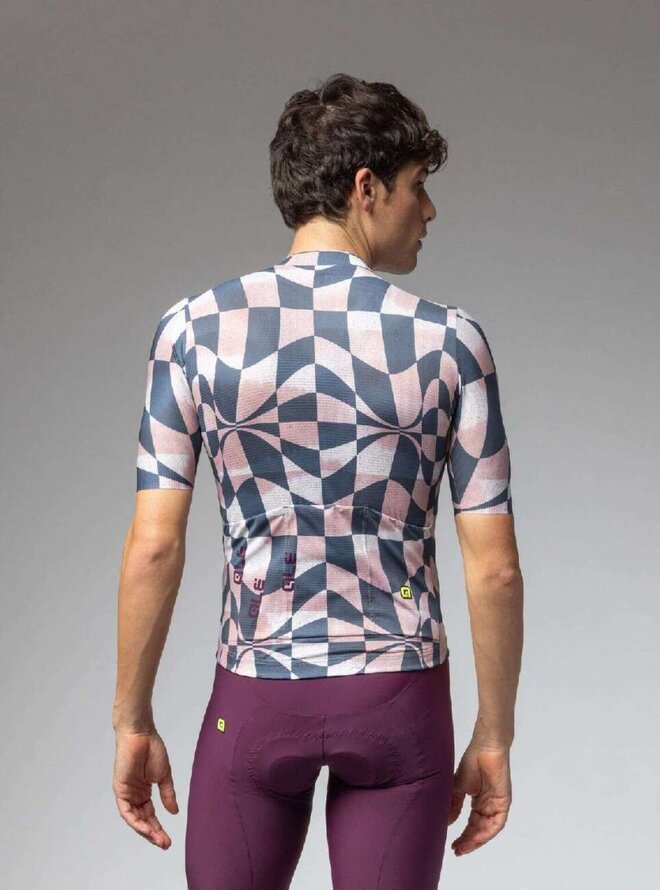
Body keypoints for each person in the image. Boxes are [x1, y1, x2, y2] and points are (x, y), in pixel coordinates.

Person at [112, 72, 524, 889]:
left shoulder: (190, 332)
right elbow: (497, 569)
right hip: (398, 695)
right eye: (417, 186)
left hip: (256, 691)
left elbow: (154, 548)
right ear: (366, 188)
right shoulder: (451, 343)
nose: (429, 211)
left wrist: (131, 718)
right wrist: (494, 735)